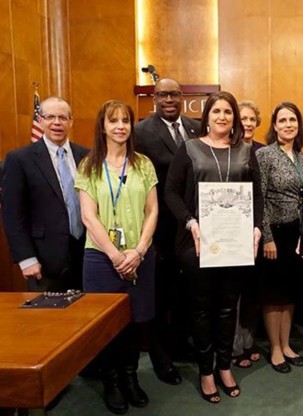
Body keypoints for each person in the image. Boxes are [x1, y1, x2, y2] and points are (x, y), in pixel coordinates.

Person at [165, 91, 263, 403]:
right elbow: (171, 193)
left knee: (226, 308)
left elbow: (257, 196)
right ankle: (206, 371)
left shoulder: (246, 150)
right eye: (216, 111)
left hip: (235, 244)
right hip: (198, 243)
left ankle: (224, 366)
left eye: (228, 112)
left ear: (235, 118)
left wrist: (258, 228)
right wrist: (190, 221)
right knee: (202, 308)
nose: (222, 117)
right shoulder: (189, 148)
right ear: (206, 116)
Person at [76, 100, 158, 414]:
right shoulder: (88, 165)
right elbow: (88, 217)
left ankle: (130, 377)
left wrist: (138, 251)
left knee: (136, 322)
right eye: (114, 121)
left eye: (125, 120)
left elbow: (153, 211)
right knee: (107, 325)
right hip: (101, 258)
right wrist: (115, 256)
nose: (120, 126)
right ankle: (111, 381)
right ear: (103, 126)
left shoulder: (143, 164)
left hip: (140, 255)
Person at [135, 77, 200, 386]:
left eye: (174, 93)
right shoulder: (141, 132)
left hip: (192, 226)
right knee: (161, 294)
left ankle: (181, 345)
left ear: (182, 96)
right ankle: (162, 359)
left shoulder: (196, 127)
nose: (169, 99)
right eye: (163, 95)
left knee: (188, 292)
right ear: (155, 98)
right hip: (160, 228)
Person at [2, 96, 88, 292]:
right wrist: (26, 258)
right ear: (40, 120)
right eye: (50, 117)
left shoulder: (86, 156)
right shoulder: (19, 159)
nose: (56, 122)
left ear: (71, 121)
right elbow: (12, 215)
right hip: (43, 261)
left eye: (62, 117)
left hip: (86, 256)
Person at [256, 102, 303, 373]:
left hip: (296, 234)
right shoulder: (264, 155)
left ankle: (287, 344)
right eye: (283, 120)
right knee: (273, 294)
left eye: (293, 120)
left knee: (289, 292)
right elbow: (260, 199)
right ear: (274, 125)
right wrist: (266, 237)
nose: (288, 124)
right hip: (273, 234)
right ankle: (275, 349)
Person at [231, 99, 265, 369]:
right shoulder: (227, 150)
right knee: (234, 292)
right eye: (243, 118)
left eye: (252, 119)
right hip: (230, 230)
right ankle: (233, 347)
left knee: (252, 290)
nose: (248, 123)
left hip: (256, 229)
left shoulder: (262, 151)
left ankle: (249, 341)